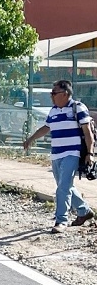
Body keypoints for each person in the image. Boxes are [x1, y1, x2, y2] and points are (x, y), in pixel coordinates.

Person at [23, 79, 96, 232]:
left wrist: (90, 153)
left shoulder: (78, 108)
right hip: (56, 154)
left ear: (65, 94)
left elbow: (87, 132)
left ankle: (61, 221)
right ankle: (84, 211)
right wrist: (31, 139)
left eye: (54, 93)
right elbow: (46, 127)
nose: (52, 96)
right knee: (65, 186)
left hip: (72, 153)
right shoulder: (54, 110)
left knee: (62, 187)